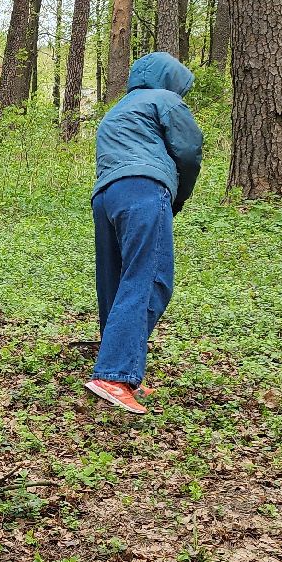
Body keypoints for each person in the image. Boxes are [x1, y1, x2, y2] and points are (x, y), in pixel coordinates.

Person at [85, 51, 204, 415]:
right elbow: (189, 150)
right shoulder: (165, 100)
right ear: (172, 80)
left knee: (115, 282)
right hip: (142, 190)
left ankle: (118, 368)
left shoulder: (117, 110)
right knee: (150, 277)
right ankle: (115, 375)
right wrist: (177, 198)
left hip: (105, 196)